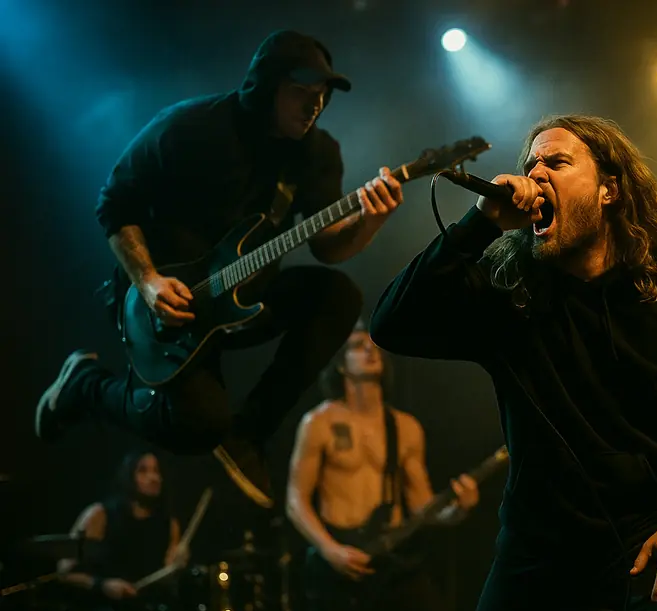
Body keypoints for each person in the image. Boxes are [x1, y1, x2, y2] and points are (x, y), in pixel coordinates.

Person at [368, 114, 657, 611]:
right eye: (531, 163)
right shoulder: (509, 290)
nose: (537, 173)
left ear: (609, 190)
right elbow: (390, 324)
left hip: (652, 543)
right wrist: (478, 225)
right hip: (536, 553)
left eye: (556, 162)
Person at [34, 29, 404, 508]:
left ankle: (249, 434)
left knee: (339, 296)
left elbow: (326, 248)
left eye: (322, 96)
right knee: (195, 428)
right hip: (164, 304)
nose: (314, 105)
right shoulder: (189, 127)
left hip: (242, 301)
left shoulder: (317, 153)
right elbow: (114, 205)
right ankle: (85, 386)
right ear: (265, 86)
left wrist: (372, 220)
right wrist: (147, 281)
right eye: (301, 92)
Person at [286, 321, 480, 611]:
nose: (370, 350)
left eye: (375, 346)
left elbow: (422, 507)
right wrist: (330, 550)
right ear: (340, 365)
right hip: (339, 561)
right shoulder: (319, 423)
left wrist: (456, 511)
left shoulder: (405, 427)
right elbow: (295, 500)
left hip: (393, 563)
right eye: (358, 346)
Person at [57, 451, 187, 611]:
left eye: (156, 471)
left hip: (146, 608)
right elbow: (64, 572)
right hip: (99, 607)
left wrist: (177, 565)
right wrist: (102, 585)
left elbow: (167, 577)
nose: (153, 477)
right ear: (128, 476)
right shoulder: (100, 515)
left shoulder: (169, 524)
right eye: (143, 471)